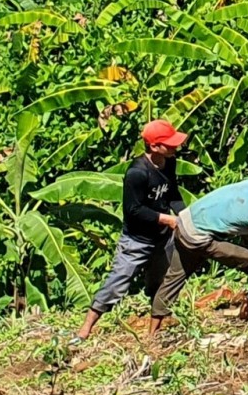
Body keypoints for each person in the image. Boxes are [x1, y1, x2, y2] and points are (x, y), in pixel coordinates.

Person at [150, 180, 248, 335]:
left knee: (174, 278)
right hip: (197, 238)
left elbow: (240, 213)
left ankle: (152, 334)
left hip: (184, 222)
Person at [74, 120, 188, 342]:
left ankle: (154, 332)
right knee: (117, 282)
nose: (175, 147)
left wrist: (185, 216)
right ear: (154, 147)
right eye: (169, 143)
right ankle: (84, 330)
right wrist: (166, 219)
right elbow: (133, 210)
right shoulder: (137, 173)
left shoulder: (169, 162)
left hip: (162, 239)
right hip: (137, 241)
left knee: (161, 282)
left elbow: (172, 193)